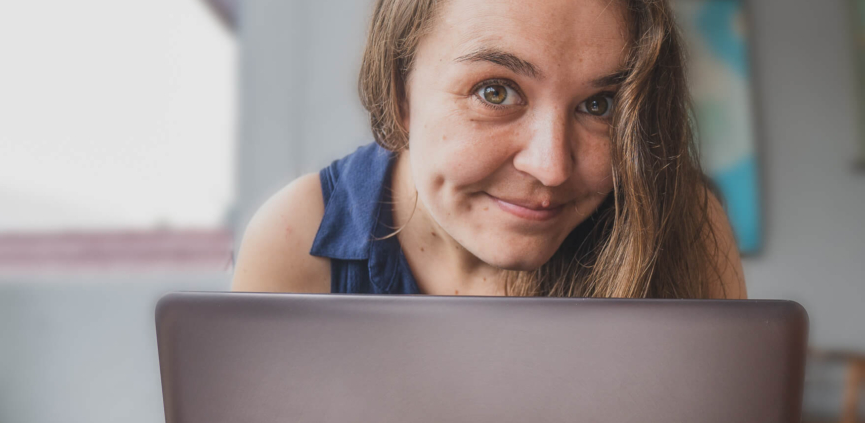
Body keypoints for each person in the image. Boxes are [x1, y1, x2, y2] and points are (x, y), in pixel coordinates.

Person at [232, 0, 746, 299]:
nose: (551, 167)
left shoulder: (683, 225)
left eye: (600, 104)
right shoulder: (296, 239)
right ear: (399, 89)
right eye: (494, 92)